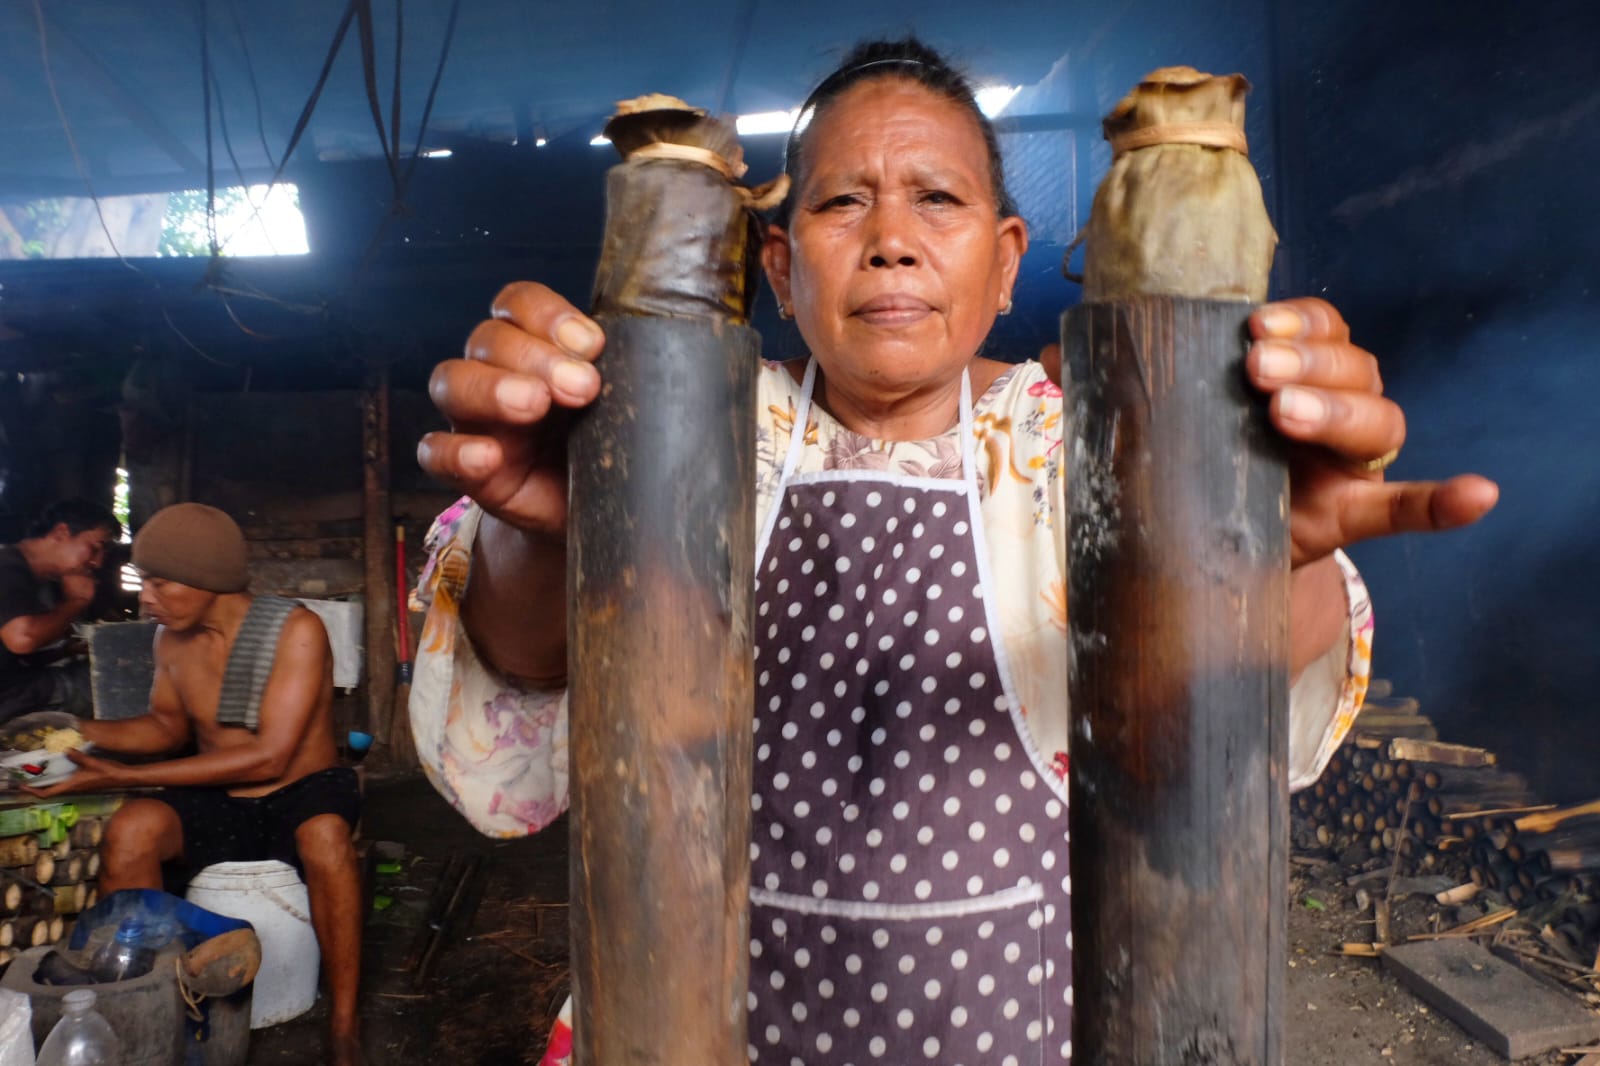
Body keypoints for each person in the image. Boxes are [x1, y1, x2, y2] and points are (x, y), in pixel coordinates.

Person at [410, 38, 1500, 1063]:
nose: (891, 236)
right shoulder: (676, 431)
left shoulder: (1101, 442)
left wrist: (1264, 546)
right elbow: (523, 701)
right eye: (842, 202)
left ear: (1004, 261)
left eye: (937, 197)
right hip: (685, 1020)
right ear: (777, 269)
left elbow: (1239, 698)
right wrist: (551, 526)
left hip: (1018, 1024)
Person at [29, 502, 364, 1066]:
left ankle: (346, 1022)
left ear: (208, 581)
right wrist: (73, 731)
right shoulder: (170, 639)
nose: (146, 598)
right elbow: (165, 727)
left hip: (301, 790)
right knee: (133, 829)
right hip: (222, 797)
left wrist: (126, 775)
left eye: (159, 582)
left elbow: (269, 757)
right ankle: (143, 1002)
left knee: (327, 838)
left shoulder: (295, 629)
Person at [0, 498, 121, 726]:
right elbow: (21, 639)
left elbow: (12, 654)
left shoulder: (26, 573)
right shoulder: (7, 567)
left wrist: (64, 651)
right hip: (8, 693)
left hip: (10, 685)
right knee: (100, 680)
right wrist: (77, 601)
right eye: (94, 548)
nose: (97, 562)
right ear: (61, 532)